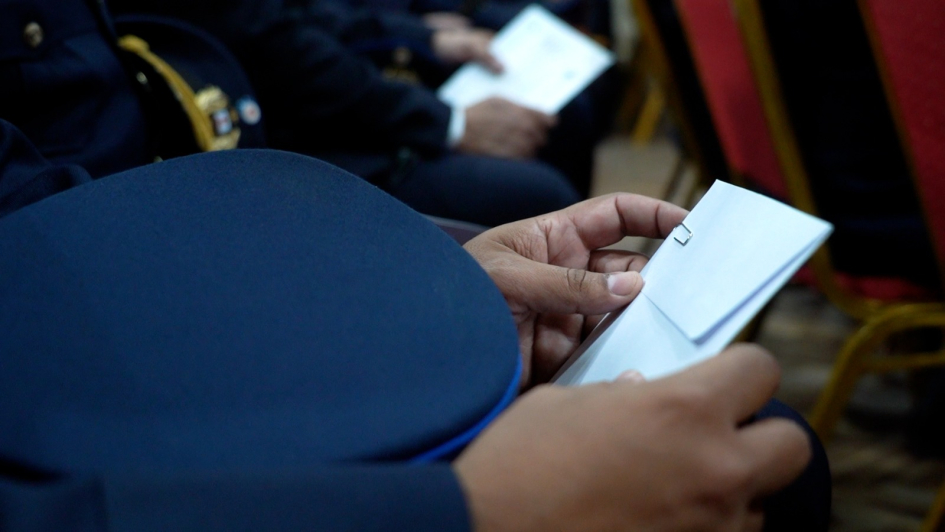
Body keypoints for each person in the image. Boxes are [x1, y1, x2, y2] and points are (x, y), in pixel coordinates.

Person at [0, 115, 829, 530]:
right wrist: (481, 507)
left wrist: (429, 306)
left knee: (753, 430)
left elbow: (58, 233)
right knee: (757, 457)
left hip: (149, 353)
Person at [1, 0, 580, 227]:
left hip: (298, 119)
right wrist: (450, 123)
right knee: (538, 197)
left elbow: (306, 16)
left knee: (565, 111)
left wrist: (417, 36)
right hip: (288, 145)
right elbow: (281, 52)